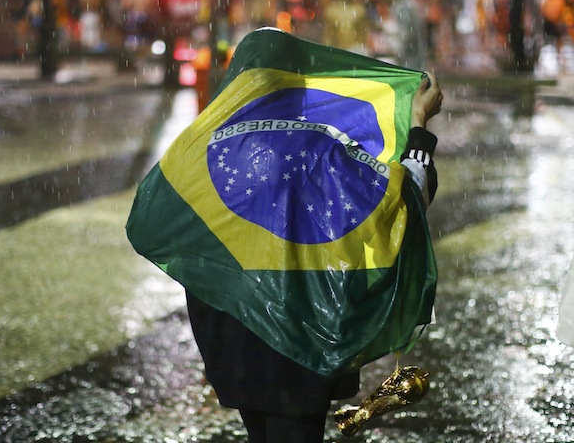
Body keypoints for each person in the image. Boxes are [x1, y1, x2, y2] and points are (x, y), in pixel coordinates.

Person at [186, 73, 443, 443]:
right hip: (304, 344)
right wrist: (418, 126)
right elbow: (404, 205)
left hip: (232, 344)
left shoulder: (206, 153)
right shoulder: (322, 152)